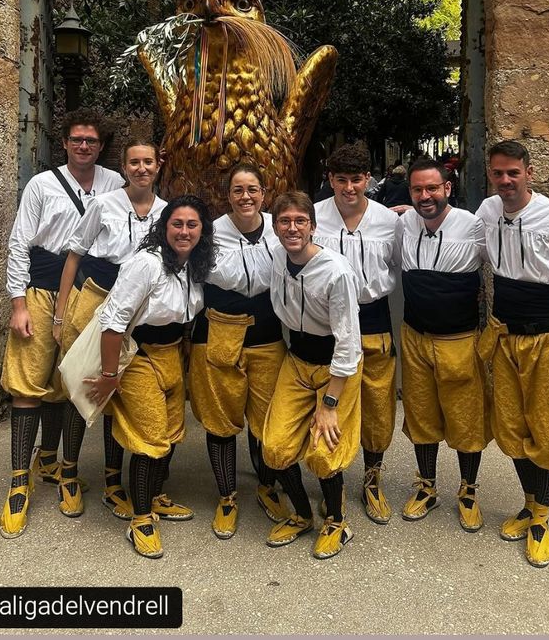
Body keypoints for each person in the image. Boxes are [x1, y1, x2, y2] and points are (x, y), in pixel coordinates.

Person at [0, 109, 124, 539]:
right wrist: (18, 303)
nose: (84, 146)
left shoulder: (114, 183)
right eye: (77, 140)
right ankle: (19, 482)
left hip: (89, 294)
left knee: (70, 382)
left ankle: (59, 467)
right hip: (41, 289)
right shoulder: (42, 185)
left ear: (101, 146)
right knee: (28, 383)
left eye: (91, 140)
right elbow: (20, 242)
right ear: (66, 143)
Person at [476, 140, 549, 568]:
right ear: (490, 175)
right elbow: (458, 238)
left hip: (548, 340)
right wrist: (410, 217)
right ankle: (529, 504)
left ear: (529, 173)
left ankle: (541, 518)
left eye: (513, 172)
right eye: (498, 173)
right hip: (506, 338)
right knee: (512, 426)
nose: (505, 180)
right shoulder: (487, 211)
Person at [87, 196, 216, 558]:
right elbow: (113, 321)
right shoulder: (146, 264)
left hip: (171, 354)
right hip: (139, 356)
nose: (184, 232)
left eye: (192, 225)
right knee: (150, 436)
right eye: (177, 224)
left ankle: (155, 496)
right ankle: (141, 519)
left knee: (172, 431)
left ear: (202, 231)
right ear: (164, 227)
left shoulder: (193, 265)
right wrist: (110, 375)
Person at [51, 138, 171, 523]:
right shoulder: (103, 205)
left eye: (148, 162)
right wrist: (60, 312)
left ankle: (112, 480)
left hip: (137, 312)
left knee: (116, 391)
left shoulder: (167, 212)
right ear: (124, 167)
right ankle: (68, 473)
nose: (141, 168)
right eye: (134, 162)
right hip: (96, 299)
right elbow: (74, 256)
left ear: (158, 166)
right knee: (82, 386)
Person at [247, 191, 364, 560]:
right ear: (275, 227)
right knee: (275, 447)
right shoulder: (278, 258)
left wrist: (329, 403)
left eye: (300, 221)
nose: (292, 228)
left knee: (325, 451)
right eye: (284, 221)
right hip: (296, 361)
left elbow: (348, 341)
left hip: (335, 368)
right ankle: (301, 514)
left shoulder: (335, 271)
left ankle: (337, 521)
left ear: (313, 226)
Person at [188, 163, 290, 539]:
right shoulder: (209, 233)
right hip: (217, 335)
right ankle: (227, 496)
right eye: (237, 190)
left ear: (264, 193)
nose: (245, 197)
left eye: (252, 189)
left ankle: (267, 486)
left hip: (267, 336)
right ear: (227, 195)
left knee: (267, 418)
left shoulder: (282, 229)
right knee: (220, 419)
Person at [398, 157, 489, 532]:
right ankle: (427, 486)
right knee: (421, 414)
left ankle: (468, 490)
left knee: (466, 418)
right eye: (418, 189)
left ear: (447, 188)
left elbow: (499, 266)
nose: (425, 196)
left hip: (459, 340)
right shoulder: (403, 223)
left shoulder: (473, 226)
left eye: (432, 188)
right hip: (414, 337)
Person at [313, 142, 400, 524]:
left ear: (368, 179)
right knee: (332, 403)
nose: (349, 188)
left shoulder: (389, 221)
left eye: (357, 180)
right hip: (327, 322)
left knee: (377, 404)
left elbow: (398, 263)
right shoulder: (314, 217)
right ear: (330, 179)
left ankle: (372, 476)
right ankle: (332, 481)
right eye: (341, 180)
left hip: (373, 319)